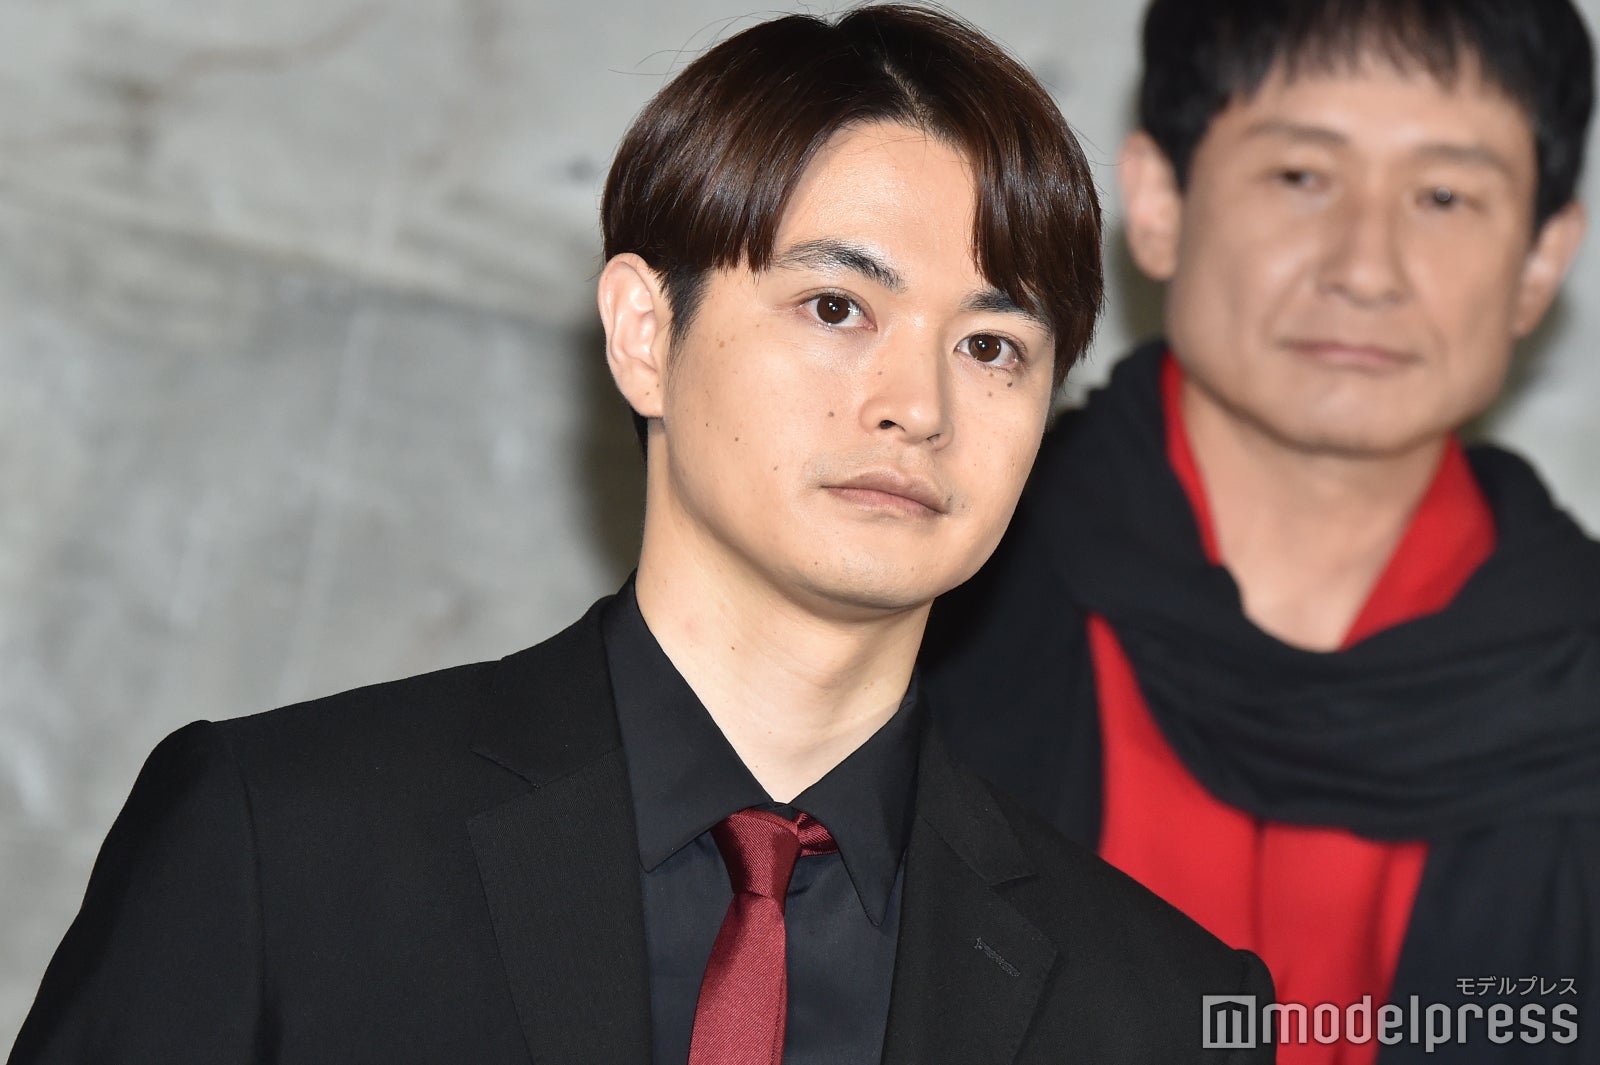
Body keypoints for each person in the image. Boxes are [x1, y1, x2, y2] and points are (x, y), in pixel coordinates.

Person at [9, 6, 1273, 1064]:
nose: (918, 405)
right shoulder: (283, 845)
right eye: (836, 307)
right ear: (645, 334)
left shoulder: (1160, 1012)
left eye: (991, 346)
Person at [925, 0, 1597, 1062]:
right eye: (1300, 176)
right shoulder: (918, 591)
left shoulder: (1578, 674)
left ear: (1540, 261)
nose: (1365, 268)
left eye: (1443, 195)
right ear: (1158, 201)